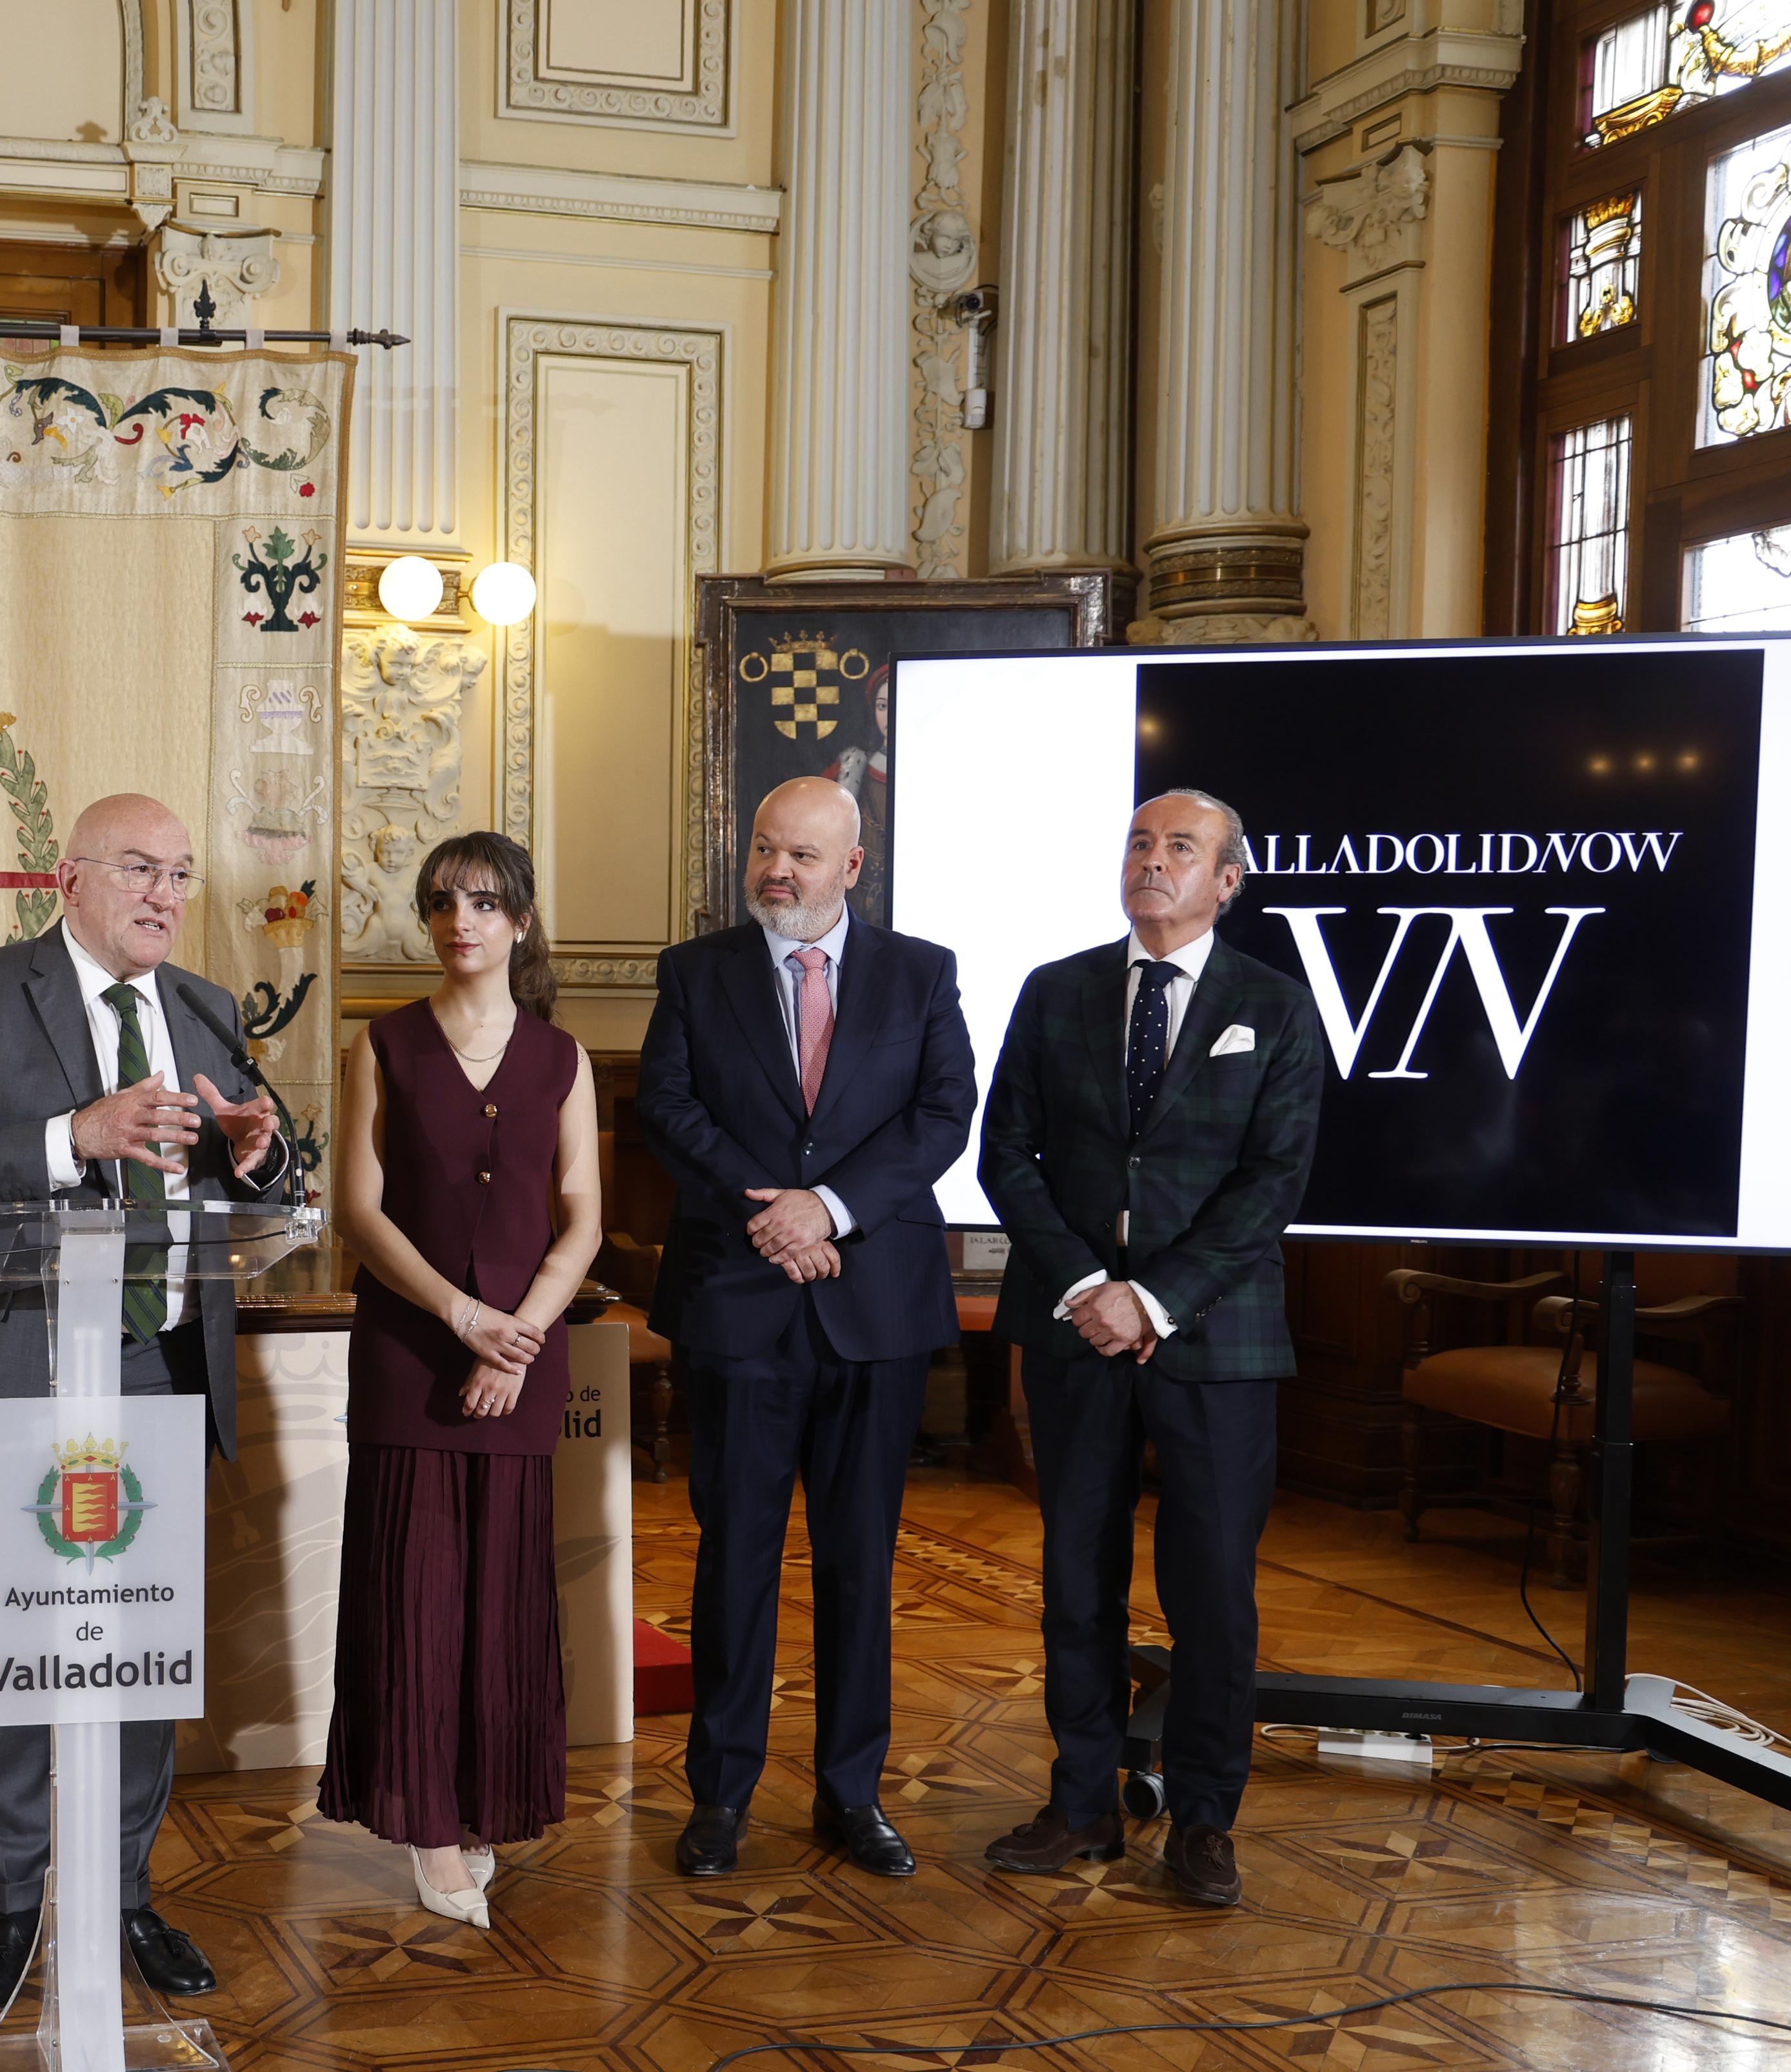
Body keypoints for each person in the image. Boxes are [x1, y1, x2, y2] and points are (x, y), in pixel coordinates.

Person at [0, 792, 288, 2014]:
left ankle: (122, 1892)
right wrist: (77, 1134)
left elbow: (262, 1174)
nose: (167, 894)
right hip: (17, 1371)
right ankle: (15, 1901)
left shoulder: (205, 1009)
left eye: (181, 873)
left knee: (141, 1654)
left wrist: (261, 1154)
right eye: (140, 868)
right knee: (18, 1649)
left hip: (155, 1367)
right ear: (69, 881)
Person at [976, 789, 1326, 1909]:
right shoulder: (1056, 989)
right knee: (1077, 1578)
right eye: (1139, 842)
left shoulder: (1275, 1006)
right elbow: (1006, 1153)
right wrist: (1091, 1288)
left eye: (1181, 847)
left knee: (1213, 1589)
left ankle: (1206, 1818)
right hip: (1076, 1328)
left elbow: (1272, 1182)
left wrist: (1157, 1299)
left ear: (1228, 880)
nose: (1152, 861)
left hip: (1217, 1337)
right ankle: (1083, 1801)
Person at [636, 778, 976, 1882]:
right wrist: (774, 1215)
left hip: (874, 1309)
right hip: (739, 1305)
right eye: (765, 849)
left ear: (852, 867)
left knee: (860, 1562)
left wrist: (827, 1208)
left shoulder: (923, 972)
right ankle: (721, 1797)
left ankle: (851, 1793)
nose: (777, 871)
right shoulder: (696, 971)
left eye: (803, 856)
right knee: (734, 1556)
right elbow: (669, 1108)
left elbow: (944, 1112)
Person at [317, 832, 601, 1930]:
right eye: (441, 902)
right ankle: (429, 1828)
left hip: (522, 1361)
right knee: (415, 1597)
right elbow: (359, 1211)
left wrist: (517, 1335)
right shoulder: (382, 1043)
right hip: (411, 1353)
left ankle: (481, 1800)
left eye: (483, 902)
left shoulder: (562, 1057)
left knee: (502, 1596)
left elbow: (582, 1219)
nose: (459, 921)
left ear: (521, 921)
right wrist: (463, 1317)